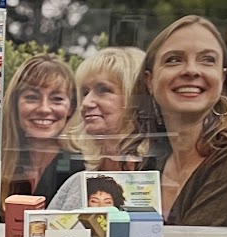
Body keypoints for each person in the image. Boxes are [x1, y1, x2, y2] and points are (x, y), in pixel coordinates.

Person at [120, 15, 227, 225]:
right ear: (150, 81)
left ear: (222, 78)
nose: (191, 71)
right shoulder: (152, 163)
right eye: (174, 59)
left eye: (208, 60)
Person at [36, 44, 147, 204]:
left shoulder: (158, 166)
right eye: (85, 92)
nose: (86, 103)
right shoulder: (71, 167)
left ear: (135, 97)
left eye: (103, 90)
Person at [1, 54, 82, 208]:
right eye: (32, 97)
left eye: (57, 99)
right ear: (15, 105)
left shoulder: (80, 169)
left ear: (71, 108)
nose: (44, 109)